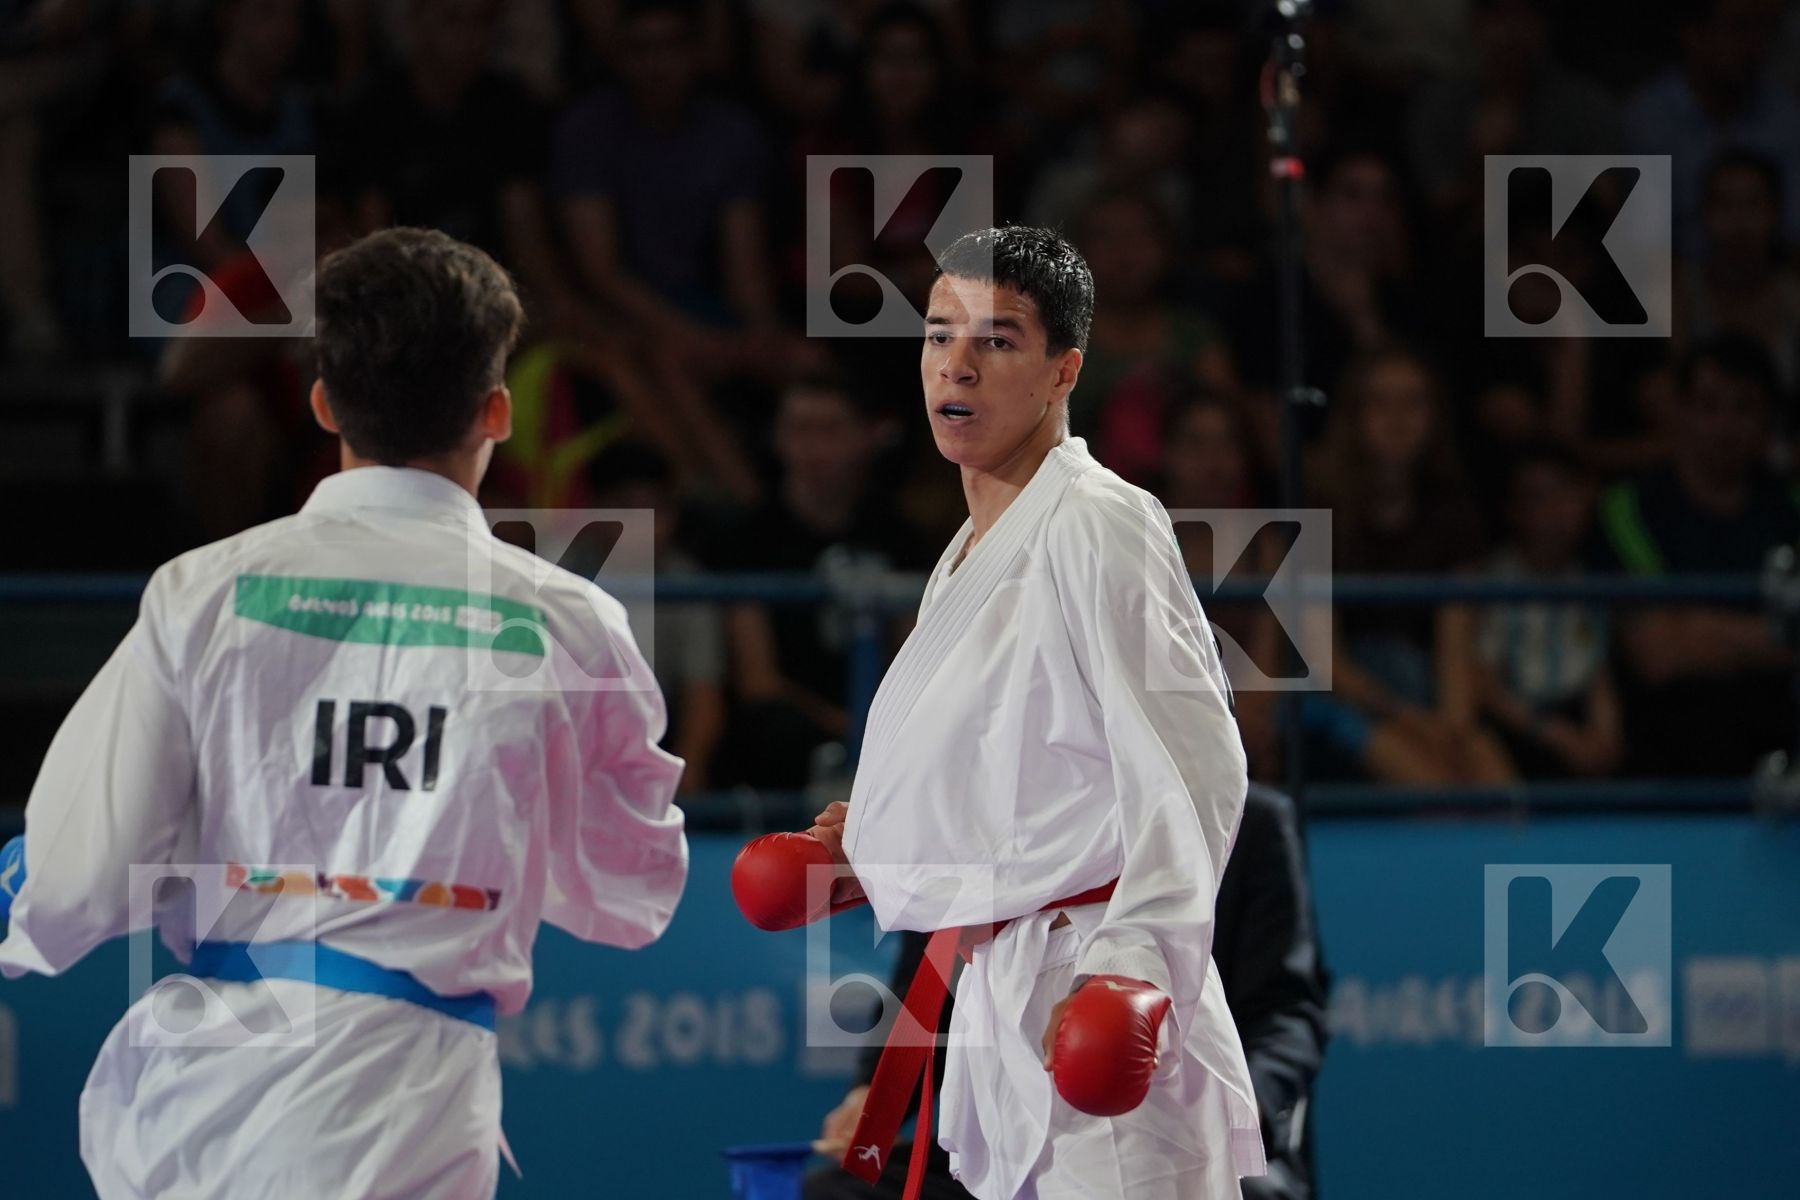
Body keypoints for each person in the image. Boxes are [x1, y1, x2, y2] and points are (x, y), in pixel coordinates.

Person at [0, 228, 688, 1199]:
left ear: (323, 402)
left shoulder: (203, 592)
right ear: (496, 412)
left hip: (202, 1103)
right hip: (410, 1102)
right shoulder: (570, 623)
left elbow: (80, 875)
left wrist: (24, 907)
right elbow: (634, 893)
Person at [801, 226, 1266, 1197]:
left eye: (997, 341)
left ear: (1065, 372)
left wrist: (1133, 968)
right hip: (998, 1000)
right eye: (938, 336)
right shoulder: (969, 548)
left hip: (1091, 988)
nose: (955, 365)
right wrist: (877, 842)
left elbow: (1200, 769)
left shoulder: (1097, 520)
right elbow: (1014, 780)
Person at [804, 784, 1329, 1200]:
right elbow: (929, 986)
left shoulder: (1247, 820)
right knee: (843, 1191)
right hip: (1015, 1126)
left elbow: (1288, 1011)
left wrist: (1239, 1106)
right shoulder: (991, 822)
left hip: (1176, 1116)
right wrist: (872, 1094)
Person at [1596, 333, 1800, 776]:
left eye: (1744, 408)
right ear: (1681, 412)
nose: (1725, 426)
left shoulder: (1793, 507)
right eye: (1709, 406)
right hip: (1665, 772)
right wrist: (1777, 636)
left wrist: (1700, 626)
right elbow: (1658, 653)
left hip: (1784, 763)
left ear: (1768, 422)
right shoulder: (1628, 508)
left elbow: (1683, 638)